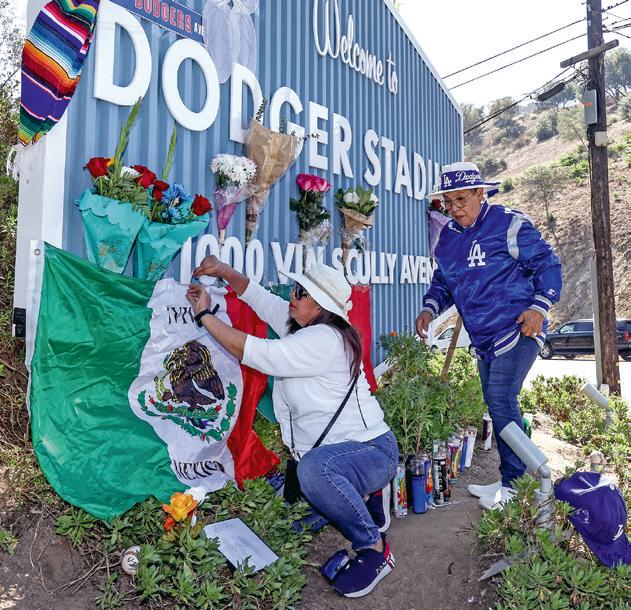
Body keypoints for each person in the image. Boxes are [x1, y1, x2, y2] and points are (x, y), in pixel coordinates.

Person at [187, 256, 398, 598]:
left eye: (300, 291)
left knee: (314, 472)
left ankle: (373, 546)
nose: (292, 295)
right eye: (296, 288)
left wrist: (204, 316)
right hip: (339, 455)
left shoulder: (324, 340)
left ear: (321, 305)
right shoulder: (300, 325)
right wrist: (224, 271)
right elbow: (256, 296)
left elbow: (258, 353)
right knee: (290, 524)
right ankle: (364, 494)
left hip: (370, 452)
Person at [415, 162, 562, 510]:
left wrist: (539, 307)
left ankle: (516, 487)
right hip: (483, 340)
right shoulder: (448, 238)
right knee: (498, 405)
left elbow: (548, 264)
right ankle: (512, 480)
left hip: (517, 330)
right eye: (447, 202)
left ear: (480, 194)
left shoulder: (509, 224)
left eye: (461, 199)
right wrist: (430, 308)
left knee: (501, 400)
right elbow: (443, 282)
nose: (454, 208)